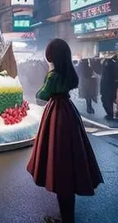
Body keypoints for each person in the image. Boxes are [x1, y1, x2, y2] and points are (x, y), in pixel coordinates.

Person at [27, 39, 103, 223]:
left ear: (52, 56)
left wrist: (46, 80)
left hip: (56, 114)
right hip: (69, 113)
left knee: (59, 164)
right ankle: (67, 215)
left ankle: (65, 218)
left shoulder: (53, 75)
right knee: (70, 162)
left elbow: (41, 96)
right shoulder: (70, 72)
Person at [100, 54, 118, 120]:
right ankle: (110, 114)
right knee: (107, 100)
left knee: (107, 100)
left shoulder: (110, 62)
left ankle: (111, 115)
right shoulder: (106, 61)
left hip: (110, 84)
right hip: (108, 84)